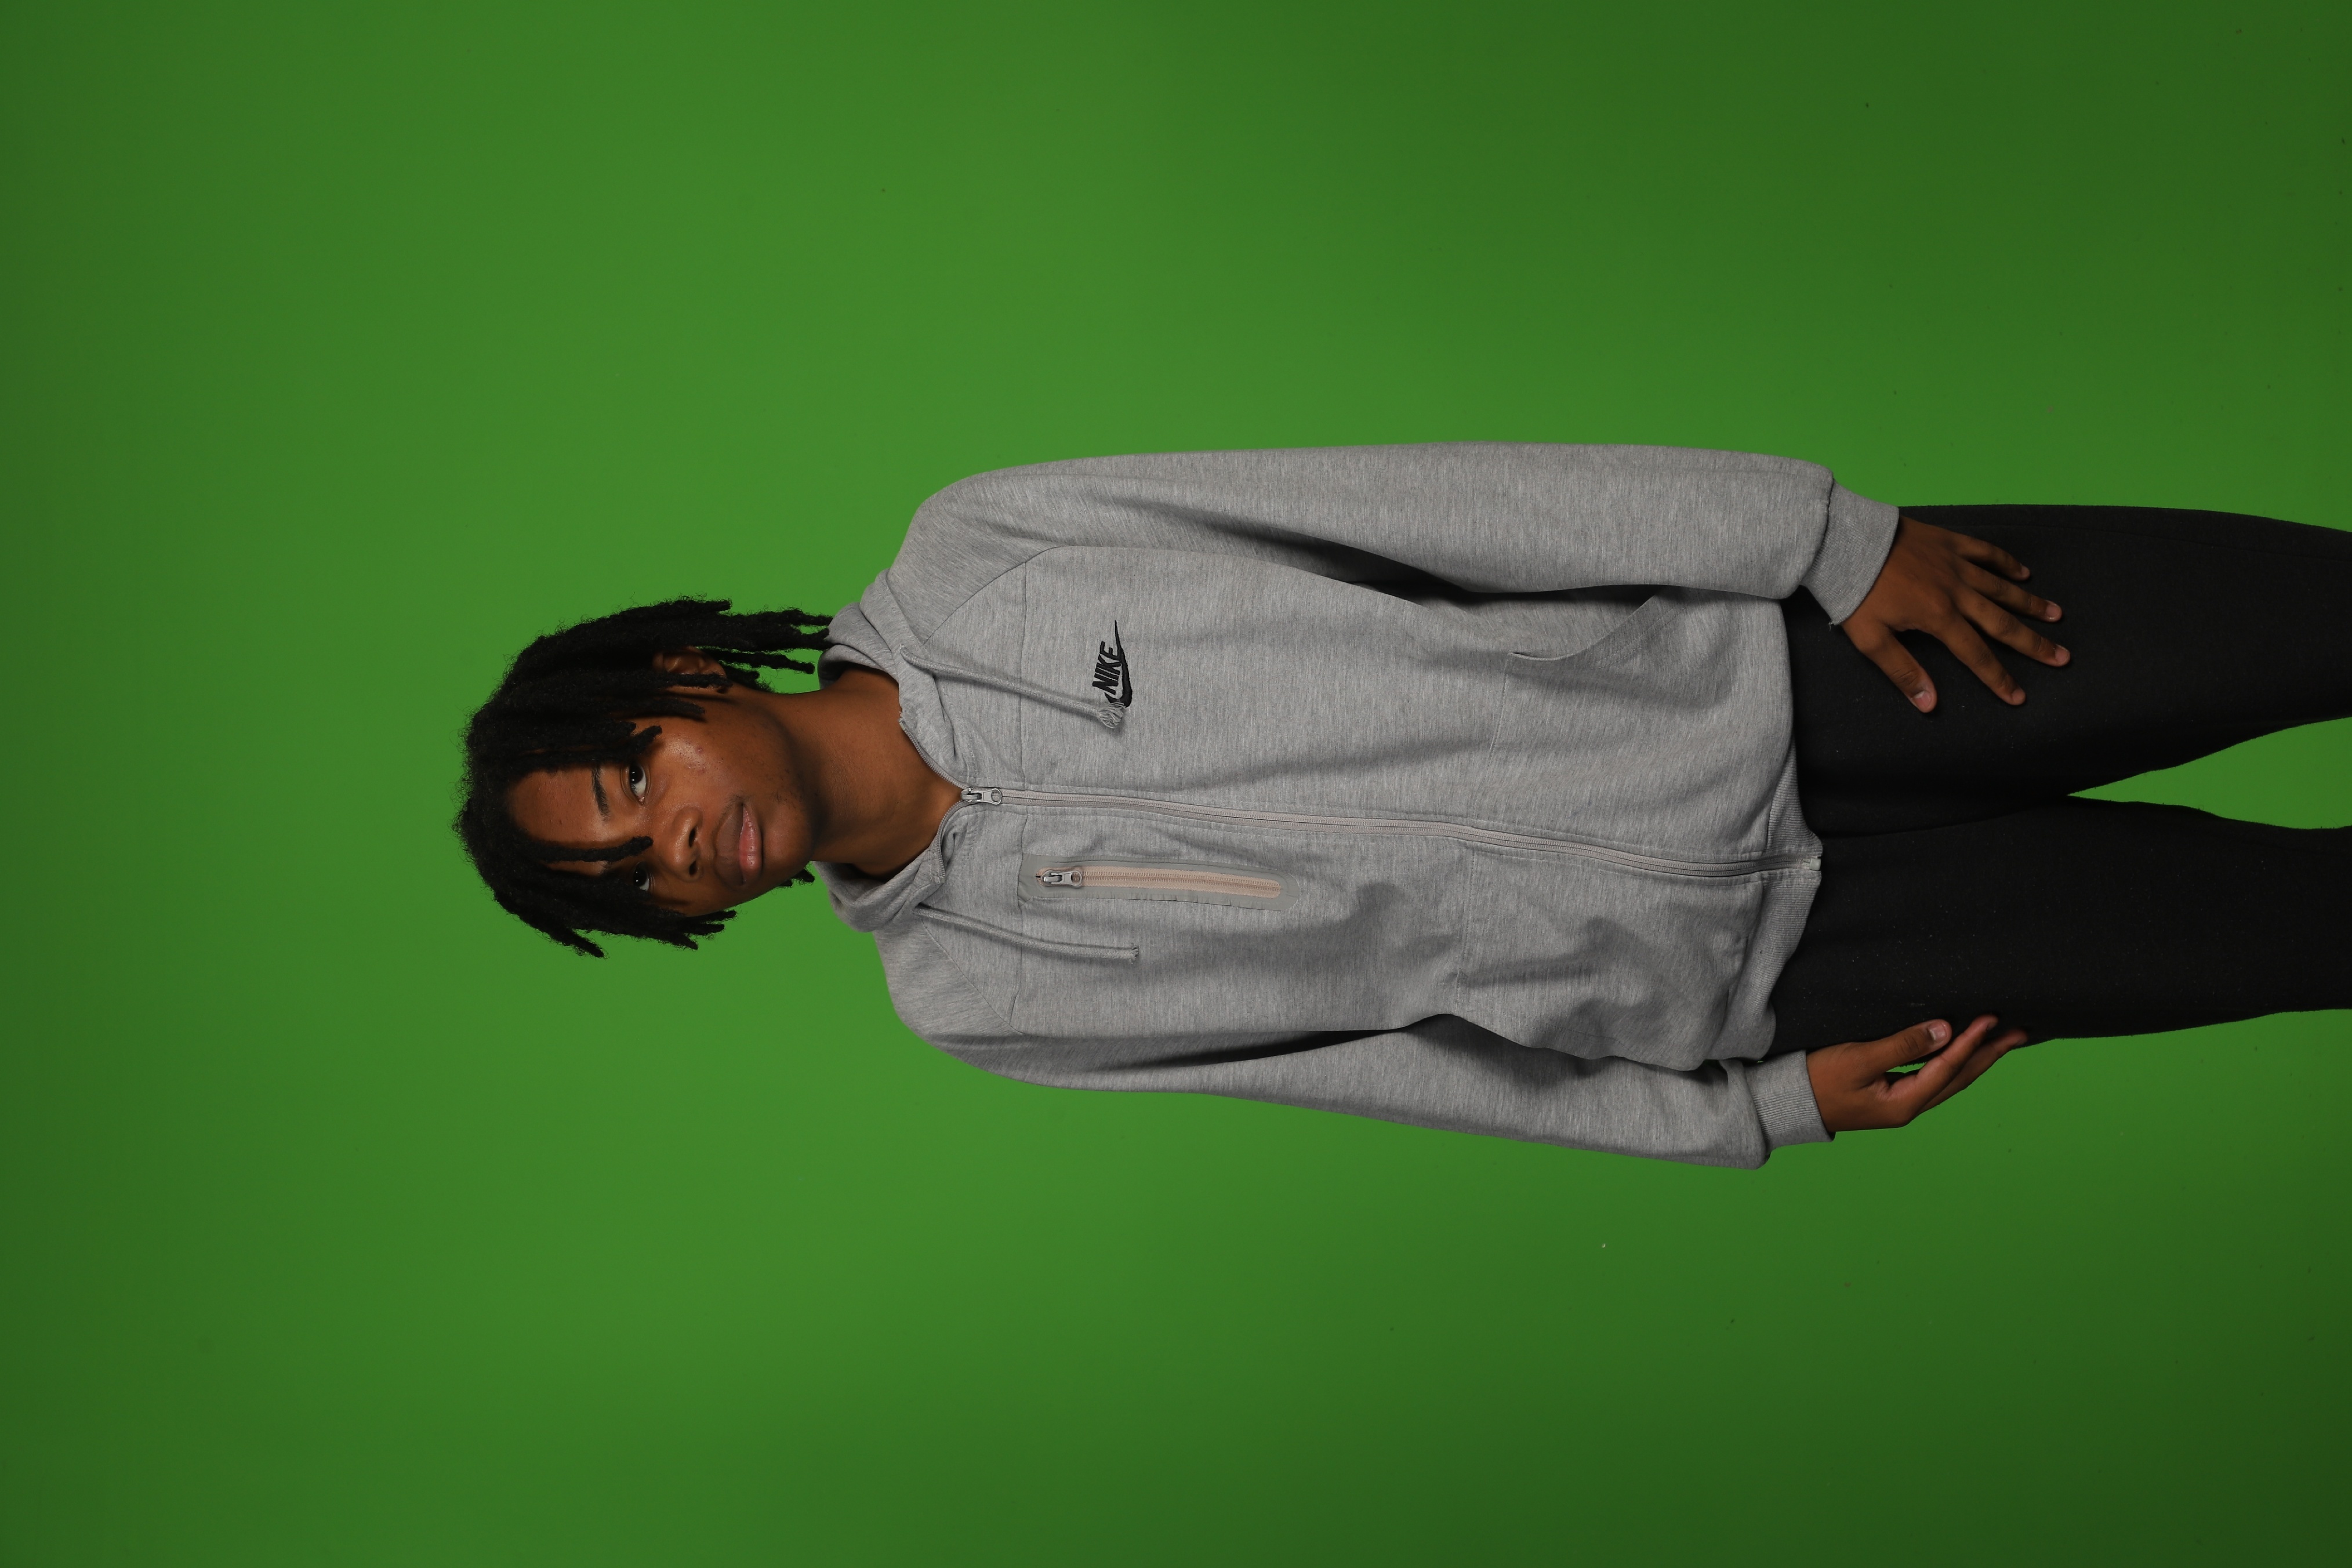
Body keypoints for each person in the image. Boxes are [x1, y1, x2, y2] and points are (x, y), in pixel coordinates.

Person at [457, 444, 2352, 1167]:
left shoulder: (985, 554)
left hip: (1792, 666)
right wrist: (1746, 1114)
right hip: (1789, 969)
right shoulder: (972, 997)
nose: (669, 839)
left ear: (686, 677)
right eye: (631, 876)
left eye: (634, 777)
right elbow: (1396, 1068)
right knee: (2312, 935)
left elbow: (1427, 506)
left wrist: (1815, 538)